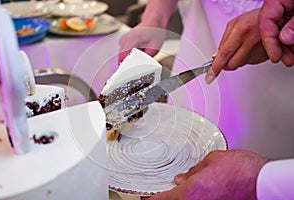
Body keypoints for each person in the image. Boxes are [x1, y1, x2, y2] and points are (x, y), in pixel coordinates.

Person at [119, 0, 294, 199]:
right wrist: (155, 16)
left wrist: (280, 22)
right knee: (169, 168)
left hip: (272, 78)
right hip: (199, 54)